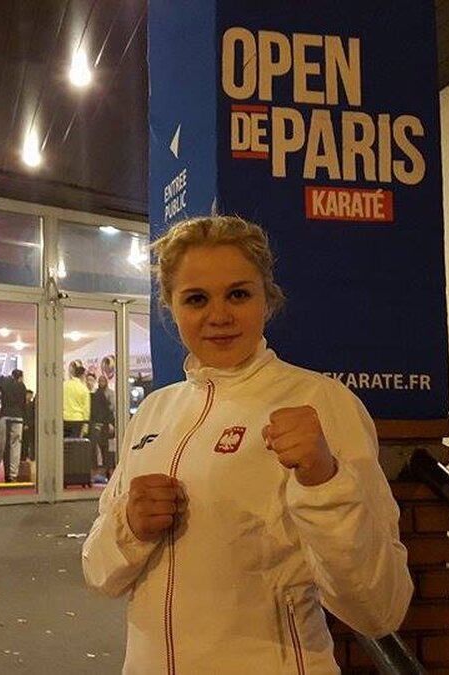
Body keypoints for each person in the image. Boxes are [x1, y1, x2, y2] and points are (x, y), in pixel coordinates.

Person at [81, 216, 411, 673]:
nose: (219, 316)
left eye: (238, 294)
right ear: (171, 308)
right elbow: (99, 574)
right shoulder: (155, 411)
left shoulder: (320, 402)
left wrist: (324, 482)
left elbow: (380, 608)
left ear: (267, 300)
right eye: (196, 299)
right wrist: (129, 528)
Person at [0, 369, 28, 482]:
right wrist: (25, 421)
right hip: (18, 417)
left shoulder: (3, 382)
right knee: (16, 446)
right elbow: (24, 404)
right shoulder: (22, 386)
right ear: (20, 377)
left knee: (0, 447)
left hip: (5, 415)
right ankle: (13, 475)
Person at [89, 375, 116, 480]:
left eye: (103, 381)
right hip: (97, 424)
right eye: (99, 381)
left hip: (105, 424)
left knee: (105, 449)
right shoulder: (96, 394)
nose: (101, 383)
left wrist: (110, 423)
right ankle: (100, 472)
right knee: (97, 448)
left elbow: (111, 410)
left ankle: (107, 471)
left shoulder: (109, 394)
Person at [61, 361, 90, 438]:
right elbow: (86, 409)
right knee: (75, 442)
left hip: (64, 418)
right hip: (77, 420)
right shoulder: (84, 389)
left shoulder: (64, 385)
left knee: (64, 442)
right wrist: (86, 424)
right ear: (82, 375)